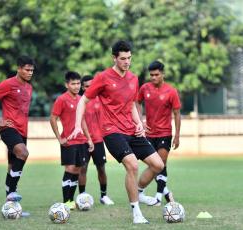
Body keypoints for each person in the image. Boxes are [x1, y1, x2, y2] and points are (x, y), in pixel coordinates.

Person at [68, 40, 164, 224]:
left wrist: (139, 124)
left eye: (129, 58)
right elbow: (83, 101)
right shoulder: (103, 78)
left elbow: (131, 105)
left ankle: (140, 191)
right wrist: (78, 125)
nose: (127, 62)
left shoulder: (134, 78)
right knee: (132, 165)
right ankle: (136, 213)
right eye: (123, 58)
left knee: (158, 165)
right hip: (111, 131)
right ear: (114, 58)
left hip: (131, 129)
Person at [0, 56, 35, 213]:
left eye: (32, 70)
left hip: (22, 131)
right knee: (23, 153)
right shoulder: (8, 84)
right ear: (18, 68)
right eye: (27, 69)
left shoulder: (29, 87)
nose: (30, 73)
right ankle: (12, 192)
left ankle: (10, 207)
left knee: (12, 165)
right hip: (9, 129)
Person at [137, 60, 181, 206]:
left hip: (164, 134)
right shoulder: (144, 88)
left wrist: (177, 135)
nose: (153, 77)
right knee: (154, 166)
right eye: (151, 75)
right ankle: (167, 192)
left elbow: (177, 113)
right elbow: (137, 102)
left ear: (163, 74)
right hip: (148, 135)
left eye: (156, 75)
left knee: (161, 164)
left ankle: (158, 197)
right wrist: (140, 121)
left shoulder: (171, 91)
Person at [50, 71, 94, 210]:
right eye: (73, 84)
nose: (76, 86)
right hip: (69, 141)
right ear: (67, 84)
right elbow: (52, 118)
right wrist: (59, 138)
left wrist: (89, 139)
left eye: (78, 83)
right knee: (69, 169)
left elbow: (83, 121)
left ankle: (70, 200)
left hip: (81, 141)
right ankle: (66, 201)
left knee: (77, 170)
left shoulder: (82, 99)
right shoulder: (62, 99)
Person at [78, 75, 114, 205]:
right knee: (82, 169)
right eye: (86, 86)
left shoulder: (101, 99)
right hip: (83, 141)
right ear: (82, 87)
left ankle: (104, 196)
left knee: (101, 169)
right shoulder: (81, 101)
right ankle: (82, 197)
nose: (89, 88)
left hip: (98, 140)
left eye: (91, 86)